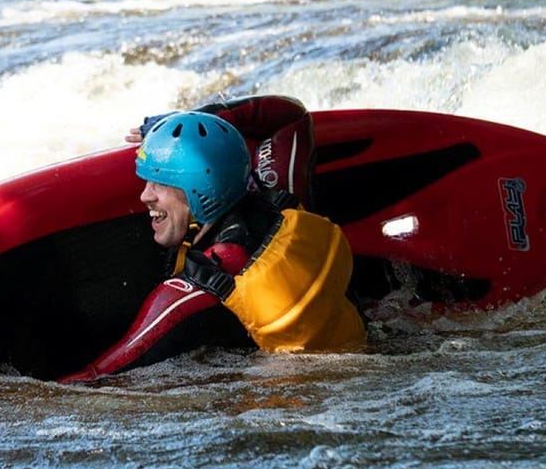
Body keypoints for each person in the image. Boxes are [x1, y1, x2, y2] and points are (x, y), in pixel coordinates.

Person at [60, 96, 365, 382]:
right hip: (364, 357)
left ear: (197, 187)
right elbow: (290, 116)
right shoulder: (285, 201)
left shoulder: (200, 286)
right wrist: (185, 126)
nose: (144, 195)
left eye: (160, 183)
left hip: (289, 398)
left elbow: (101, 376)